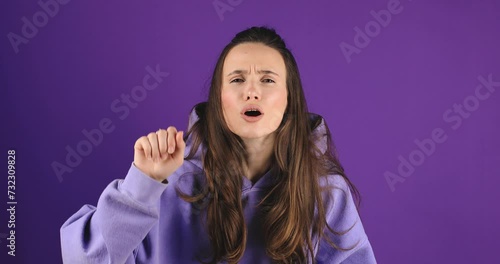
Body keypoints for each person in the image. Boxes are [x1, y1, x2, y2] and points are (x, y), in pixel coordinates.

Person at [60, 26, 377, 264]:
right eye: (237, 80)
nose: (251, 92)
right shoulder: (170, 183)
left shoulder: (326, 193)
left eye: (267, 80)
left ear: (290, 100)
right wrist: (141, 185)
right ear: (218, 99)